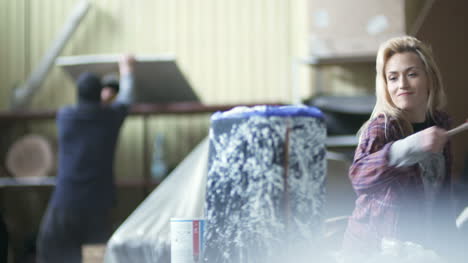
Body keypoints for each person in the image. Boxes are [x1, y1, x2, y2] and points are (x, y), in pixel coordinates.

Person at [342, 36, 459, 260]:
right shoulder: (382, 128)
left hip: (421, 248)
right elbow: (359, 176)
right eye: (393, 78)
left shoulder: (440, 123)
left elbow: (441, 199)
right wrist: (410, 146)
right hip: (375, 251)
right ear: (385, 85)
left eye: (412, 74)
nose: (402, 85)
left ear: (429, 79)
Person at [36, 55, 137, 263]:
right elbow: (127, 98)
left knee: (49, 251)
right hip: (98, 204)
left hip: (65, 201)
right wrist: (127, 69)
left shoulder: (64, 117)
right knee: (95, 256)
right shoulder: (110, 117)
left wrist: (102, 101)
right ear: (100, 94)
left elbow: (93, 110)